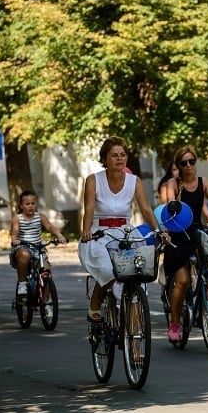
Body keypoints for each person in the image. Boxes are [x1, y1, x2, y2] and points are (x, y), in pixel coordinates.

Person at [79, 136, 163, 325]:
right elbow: (89, 208)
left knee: (136, 275)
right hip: (99, 234)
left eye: (123, 155)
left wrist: (159, 230)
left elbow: (146, 209)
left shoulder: (135, 181)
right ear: (105, 159)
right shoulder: (93, 180)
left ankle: (133, 336)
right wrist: (86, 231)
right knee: (108, 272)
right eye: (114, 155)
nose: (119, 159)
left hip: (125, 232)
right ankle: (96, 301)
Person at [158, 146, 208, 342]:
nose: (188, 166)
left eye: (191, 161)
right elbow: (171, 207)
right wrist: (167, 229)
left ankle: (205, 291)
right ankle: (174, 323)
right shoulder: (173, 184)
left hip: (197, 232)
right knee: (182, 281)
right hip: (179, 234)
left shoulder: (203, 182)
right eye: (184, 163)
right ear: (178, 166)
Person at [10, 190, 68, 298]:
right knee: (24, 255)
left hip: (37, 248)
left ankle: (46, 302)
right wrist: (14, 240)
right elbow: (14, 233)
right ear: (21, 206)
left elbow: (50, 227)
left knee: (46, 271)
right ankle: (22, 284)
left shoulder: (40, 217)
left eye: (33, 203)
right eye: (27, 204)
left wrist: (59, 236)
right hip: (22, 247)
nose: (30, 206)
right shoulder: (17, 219)